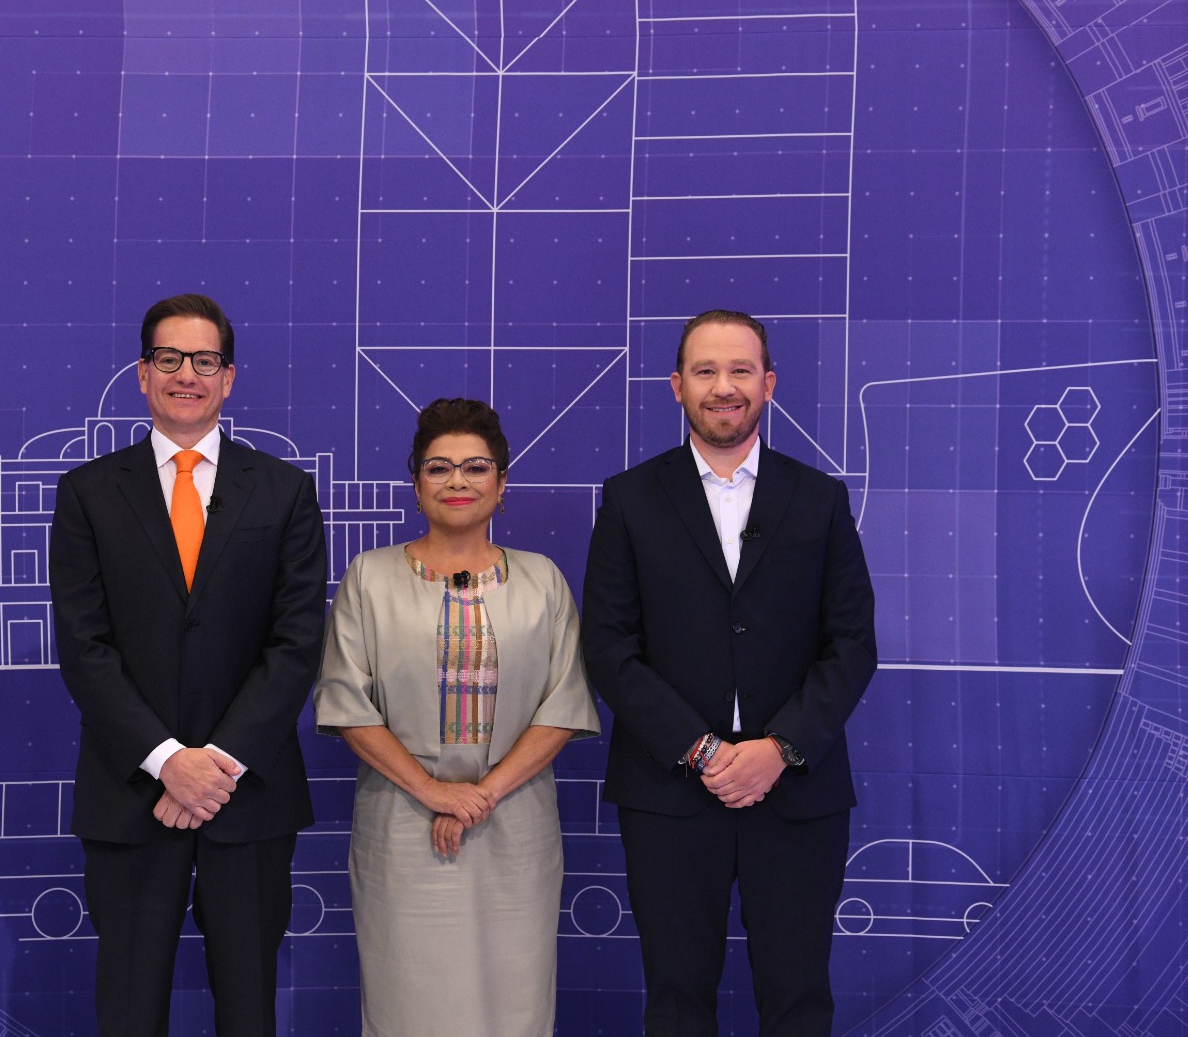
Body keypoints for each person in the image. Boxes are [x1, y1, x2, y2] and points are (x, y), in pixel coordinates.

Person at [581, 310, 877, 1036]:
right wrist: (704, 750)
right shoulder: (629, 499)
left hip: (796, 791)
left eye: (741, 370)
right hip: (671, 793)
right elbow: (610, 648)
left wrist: (779, 749)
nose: (724, 387)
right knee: (677, 1001)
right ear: (676, 386)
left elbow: (852, 643)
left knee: (798, 999)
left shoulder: (820, 499)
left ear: (768, 384)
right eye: (705, 371)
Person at [49, 293, 328, 1037]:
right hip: (131, 793)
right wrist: (168, 761)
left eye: (205, 361)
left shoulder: (284, 491)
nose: (187, 375)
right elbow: (84, 647)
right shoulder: (87, 494)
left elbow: (296, 642)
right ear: (143, 373)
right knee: (129, 1011)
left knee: (249, 1009)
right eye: (169, 358)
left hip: (250, 796)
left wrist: (217, 765)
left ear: (228, 377)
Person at [314, 397, 600, 1037]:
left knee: (514, 1000)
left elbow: (564, 704)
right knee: (409, 1000)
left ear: (502, 482)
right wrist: (433, 791)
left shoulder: (543, 581)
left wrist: (479, 795)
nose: (457, 482)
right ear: (416, 483)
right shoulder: (369, 578)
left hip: (515, 826)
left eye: (475, 467)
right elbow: (345, 702)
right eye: (439, 468)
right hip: (402, 825)